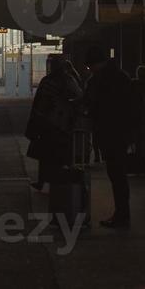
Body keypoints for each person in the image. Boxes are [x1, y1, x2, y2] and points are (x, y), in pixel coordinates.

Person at [83, 44, 132, 228]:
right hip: (120, 132)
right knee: (119, 176)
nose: (89, 69)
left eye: (90, 66)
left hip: (111, 132)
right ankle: (122, 213)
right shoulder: (121, 76)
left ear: (97, 63)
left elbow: (94, 103)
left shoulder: (102, 80)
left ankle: (121, 215)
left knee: (117, 175)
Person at [26, 54, 82, 191]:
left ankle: (43, 182)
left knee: (45, 156)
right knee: (63, 154)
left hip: (47, 123)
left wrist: (34, 122)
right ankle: (62, 182)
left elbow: (38, 103)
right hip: (63, 124)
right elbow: (79, 95)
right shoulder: (68, 80)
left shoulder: (46, 81)